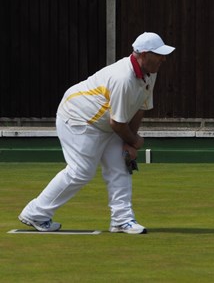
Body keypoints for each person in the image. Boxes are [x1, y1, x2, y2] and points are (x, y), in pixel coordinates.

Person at [18, 32, 175, 234]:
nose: (163, 59)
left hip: (106, 122)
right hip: (78, 117)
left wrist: (130, 144)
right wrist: (135, 141)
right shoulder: (123, 78)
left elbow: (140, 107)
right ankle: (35, 213)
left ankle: (122, 219)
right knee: (81, 171)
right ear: (143, 55)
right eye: (158, 54)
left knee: (121, 164)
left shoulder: (150, 73)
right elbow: (117, 123)